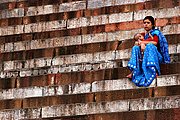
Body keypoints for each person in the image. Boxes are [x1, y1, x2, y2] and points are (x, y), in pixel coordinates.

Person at [127, 16, 170, 87]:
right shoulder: (142, 35)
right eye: (144, 23)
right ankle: (134, 72)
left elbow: (155, 42)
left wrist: (143, 43)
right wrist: (139, 43)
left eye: (148, 23)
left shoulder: (156, 33)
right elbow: (136, 42)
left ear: (152, 24)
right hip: (144, 56)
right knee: (135, 48)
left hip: (156, 57)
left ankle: (153, 71)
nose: (146, 24)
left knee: (150, 46)